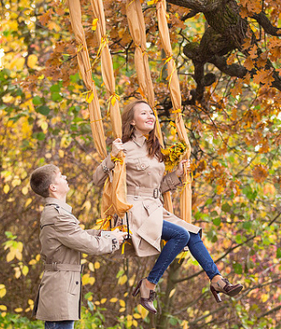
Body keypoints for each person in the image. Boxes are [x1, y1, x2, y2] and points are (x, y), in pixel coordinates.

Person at [92, 100, 243, 314]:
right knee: (180, 235)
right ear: (132, 122)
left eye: (151, 113)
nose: (150, 116)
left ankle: (216, 279)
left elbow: (157, 187)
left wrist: (177, 176)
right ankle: (149, 283)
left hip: (155, 207)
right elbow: (97, 180)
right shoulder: (123, 148)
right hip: (135, 211)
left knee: (193, 234)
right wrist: (111, 156)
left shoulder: (154, 149)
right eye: (144, 113)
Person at [20, 164, 127, 329]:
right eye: (61, 176)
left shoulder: (57, 214)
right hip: (60, 291)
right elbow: (88, 245)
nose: (66, 177)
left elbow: (79, 236)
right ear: (53, 187)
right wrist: (114, 241)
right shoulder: (58, 216)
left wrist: (109, 234)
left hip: (59, 287)